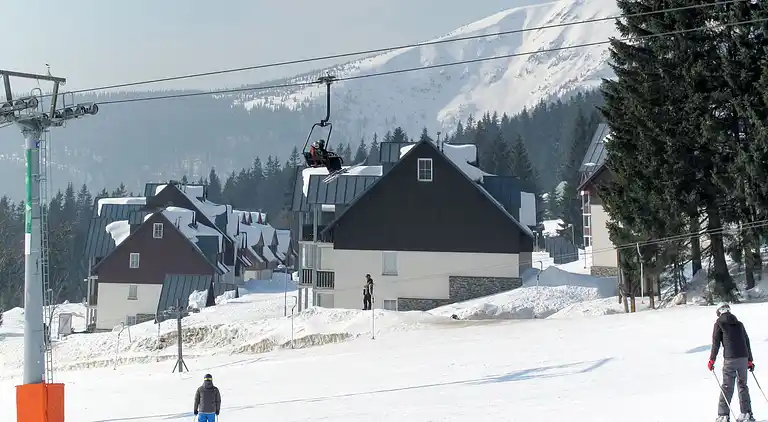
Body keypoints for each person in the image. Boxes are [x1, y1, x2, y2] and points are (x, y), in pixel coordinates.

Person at [708, 303, 755, 422]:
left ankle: (723, 415)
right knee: (743, 385)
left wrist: (711, 359)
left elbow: (716, 343)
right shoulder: (739, 324)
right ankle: (746, 413)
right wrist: (749, 360)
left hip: (730, 358)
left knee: (727, 386)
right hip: (743, 358)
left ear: (719, 312)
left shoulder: (719, 323)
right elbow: (746, 341)